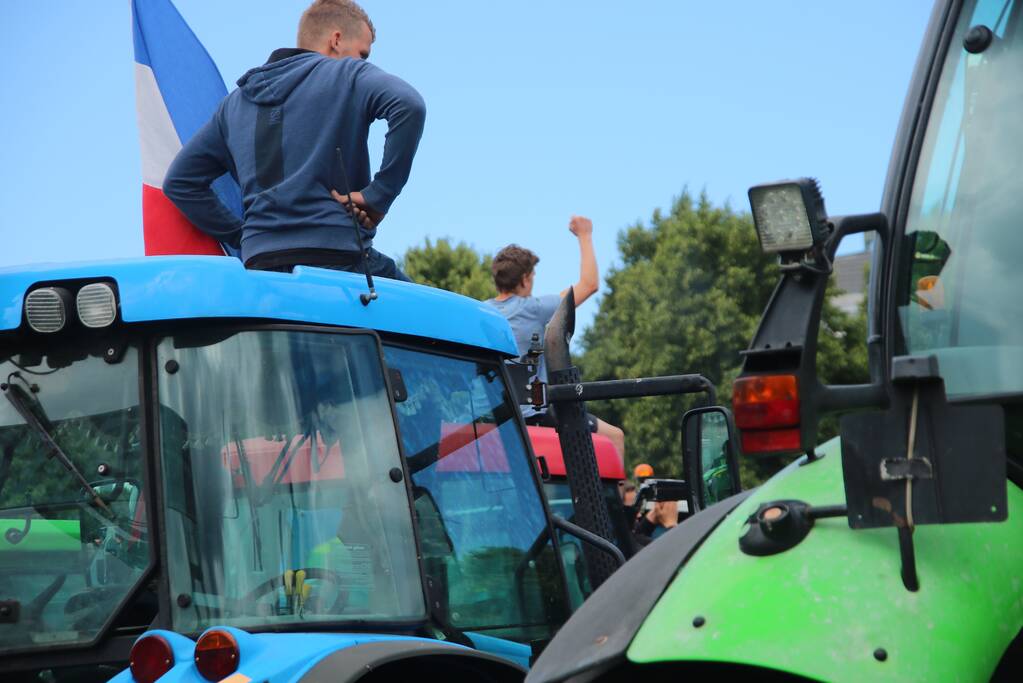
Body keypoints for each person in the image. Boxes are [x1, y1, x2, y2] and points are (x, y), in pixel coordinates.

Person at [164, 0, 425, 280]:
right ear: (336, 40)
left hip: (260, 265)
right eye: (362, 54)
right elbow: (409, 105)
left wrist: (244, 235)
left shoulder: (234, 104)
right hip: (338, 257)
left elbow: (180, 181)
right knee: (431, 308)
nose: (363, 62)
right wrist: (379, 195)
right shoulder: (348, 74)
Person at [487, 216, 626, 458]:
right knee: (614, 437)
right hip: (534, 416)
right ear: (525, 279)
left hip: (493, 416)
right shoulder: (534, 309)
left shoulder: (484, 312)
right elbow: (589, 284)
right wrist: (585, 235)